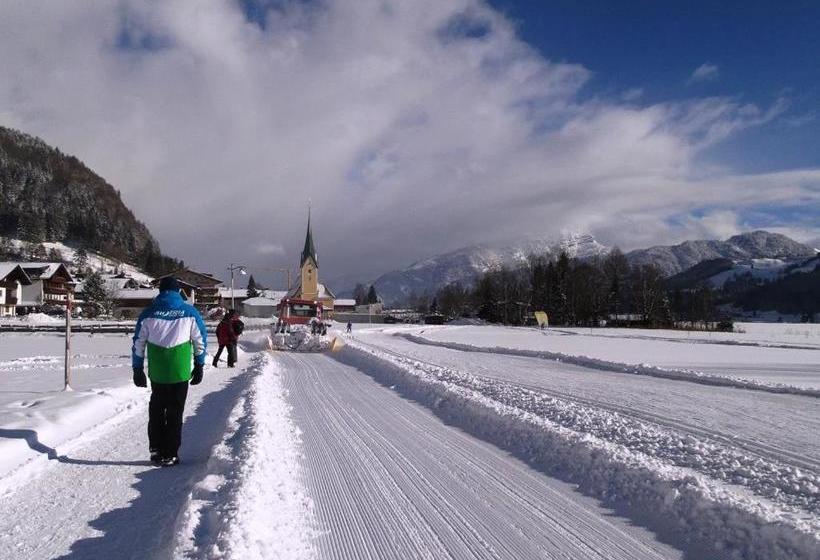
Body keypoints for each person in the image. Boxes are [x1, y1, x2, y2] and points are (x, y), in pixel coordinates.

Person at [132, 277, 207, 467]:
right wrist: (199, 365)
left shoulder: (148, 313)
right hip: (179, 371)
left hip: (158, 372)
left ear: (160, 291)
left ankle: (156, 449)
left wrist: (137, 368)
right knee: (175, 412)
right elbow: (200, 340)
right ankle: (170, 453)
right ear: (177, 291)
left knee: (156, 409)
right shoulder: (189, 312)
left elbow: (138, 343)